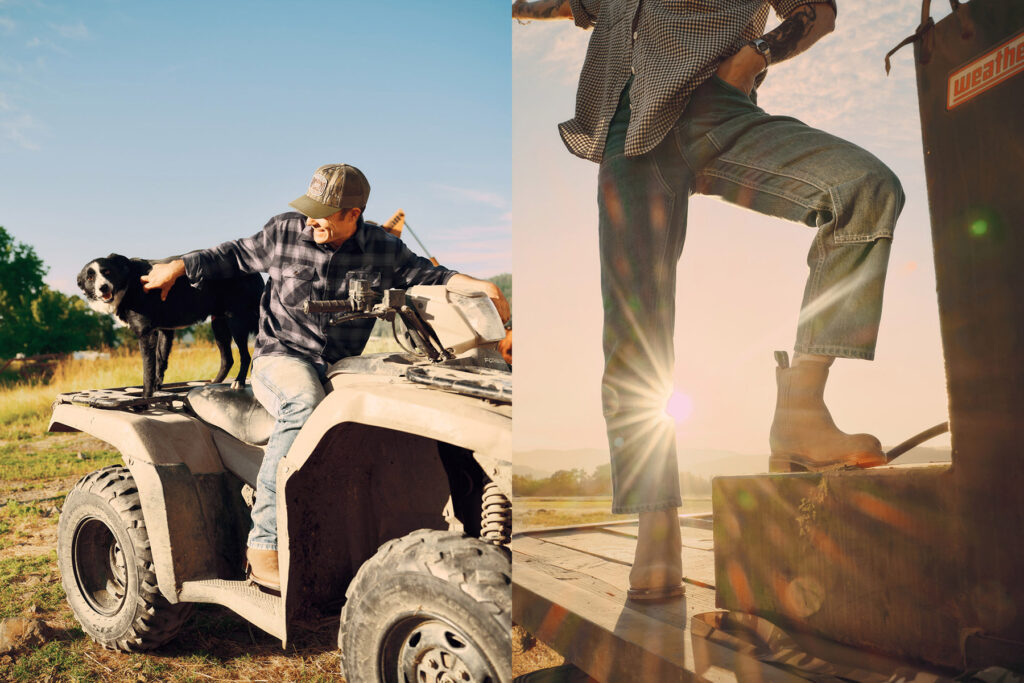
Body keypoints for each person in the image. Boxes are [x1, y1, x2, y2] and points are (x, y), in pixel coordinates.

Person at [512, 0, 903, 600]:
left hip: (716, 106)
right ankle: (655, 522)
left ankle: (802, 413)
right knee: (634, 330)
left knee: (865, 188)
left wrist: (755, 57)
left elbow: (817, 10)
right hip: (626, 132)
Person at [142, 163, 510, 590]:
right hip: (282, 357)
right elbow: (233, 255)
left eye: (322, 213)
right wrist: (177, 267)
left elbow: (431, 275)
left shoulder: (383, 248)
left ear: (353, 214)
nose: (311, 219)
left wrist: (484, 287)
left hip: (339, 364)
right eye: (309, 209)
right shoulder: (284, 232)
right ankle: (263, 545)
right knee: (304, 404)